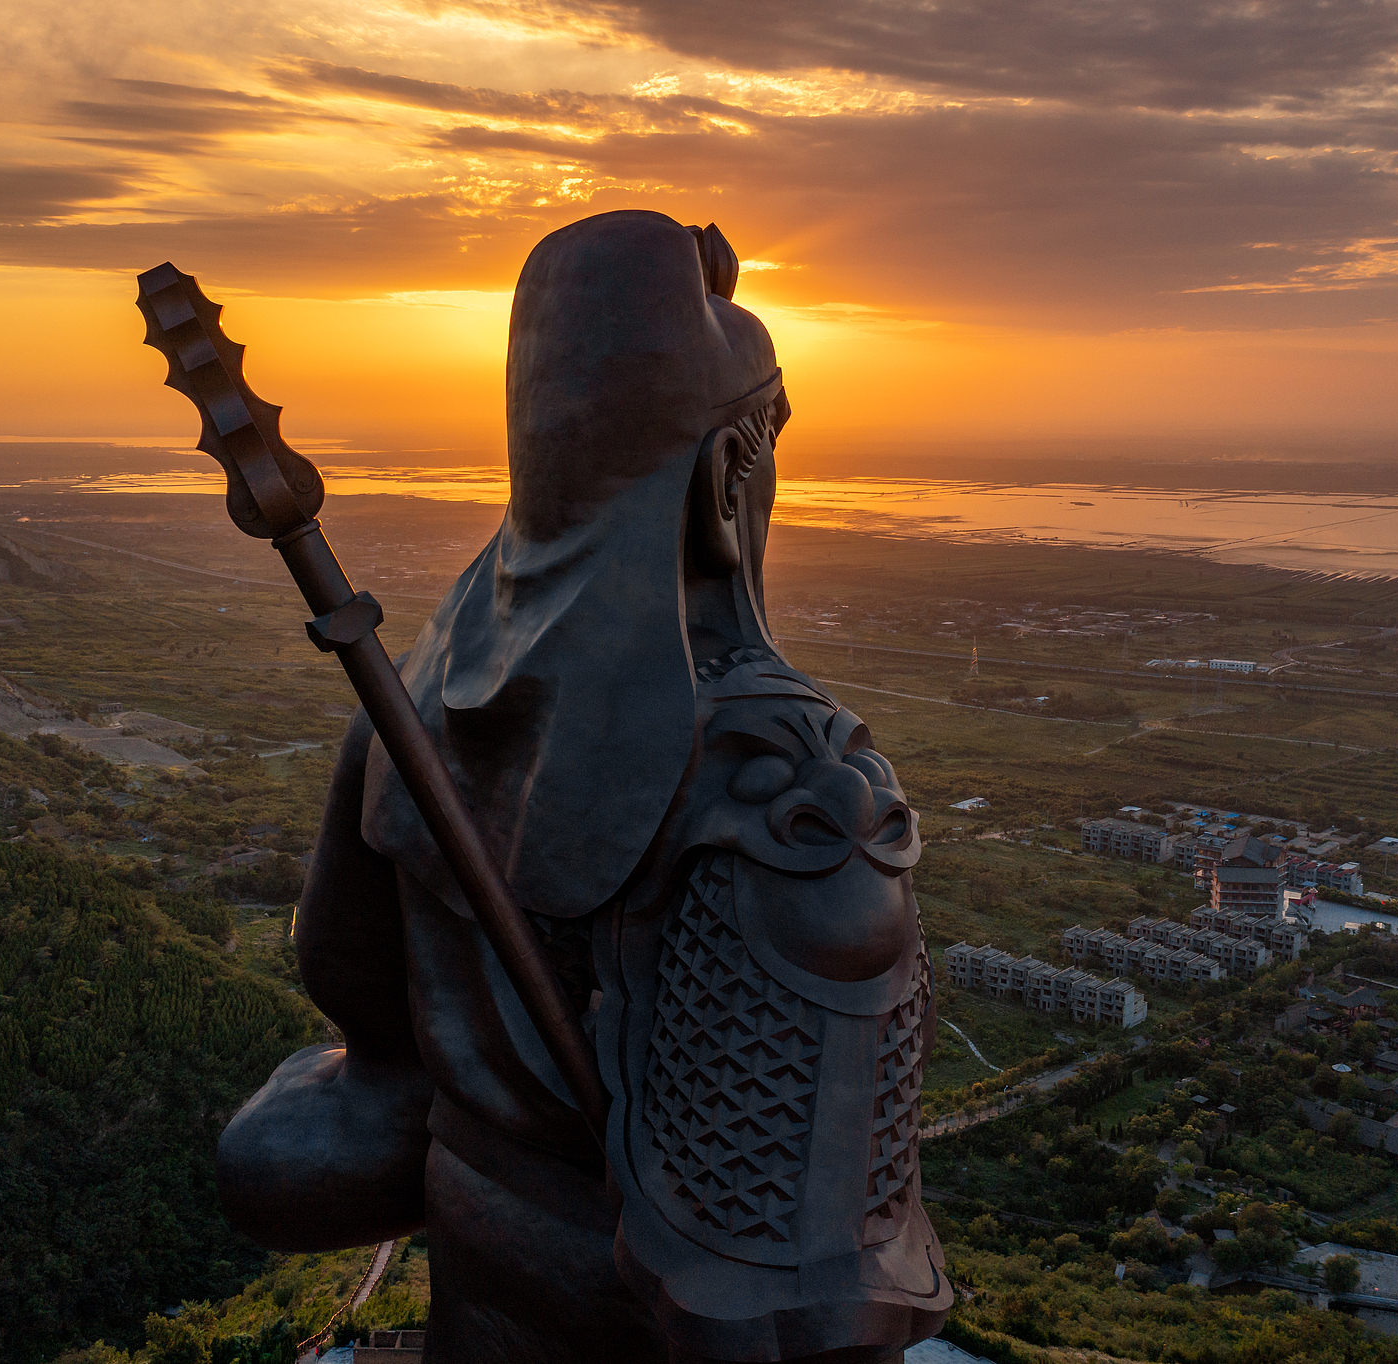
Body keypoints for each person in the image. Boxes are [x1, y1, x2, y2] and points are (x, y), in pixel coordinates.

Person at [218, 210, 949, 1363]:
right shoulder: (790, 790)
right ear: (723, 477)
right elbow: (816, 1291)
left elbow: (353, 1002)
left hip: (480, 1280)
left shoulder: (423, 694)